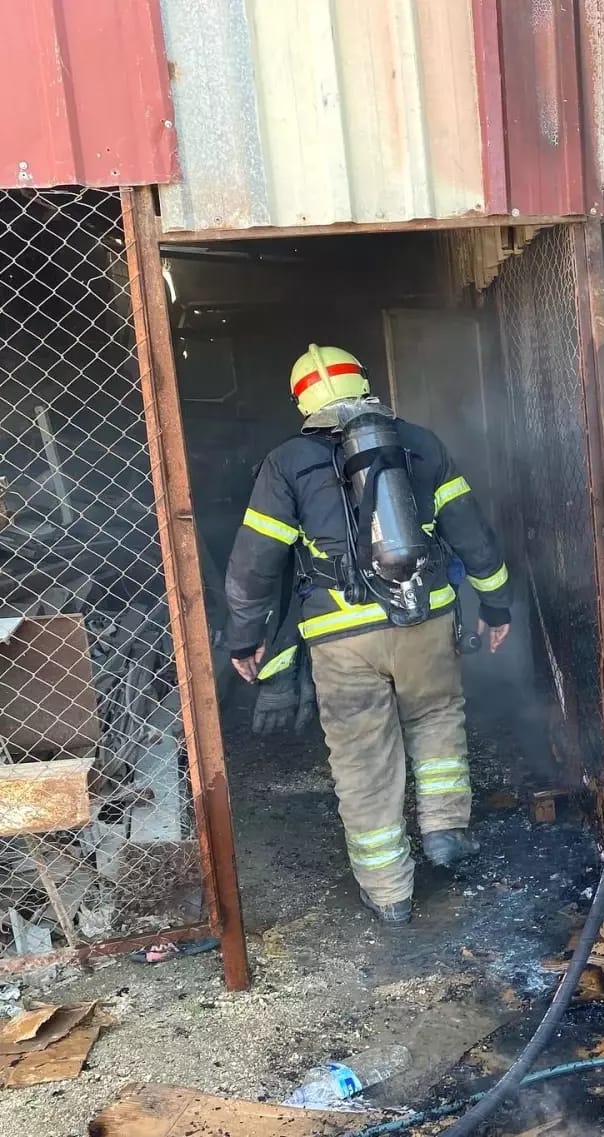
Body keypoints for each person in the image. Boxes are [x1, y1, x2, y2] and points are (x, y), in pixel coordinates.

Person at [224, 345, 513, 927]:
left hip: (340, 636)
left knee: (363, 760)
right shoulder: (421, 443)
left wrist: (244, 636)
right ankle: (445, 835)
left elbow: (256, 563)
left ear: (301, 401)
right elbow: (471, 532)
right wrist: (496, 602)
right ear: (365, 384)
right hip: (424, 617)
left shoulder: (287, 462)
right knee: (435, 719)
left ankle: (390, 894)